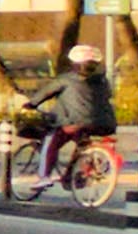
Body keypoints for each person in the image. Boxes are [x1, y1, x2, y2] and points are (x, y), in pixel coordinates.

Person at [38, 42, 116, 184]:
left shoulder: (66, 79)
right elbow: (109, 96)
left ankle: (44, 177)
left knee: (51, 141)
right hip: (106, 123)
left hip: (75, 122)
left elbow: (45, 93)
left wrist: (31, 104)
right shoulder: (103, 80)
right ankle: (70, 177)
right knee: (82, 143)